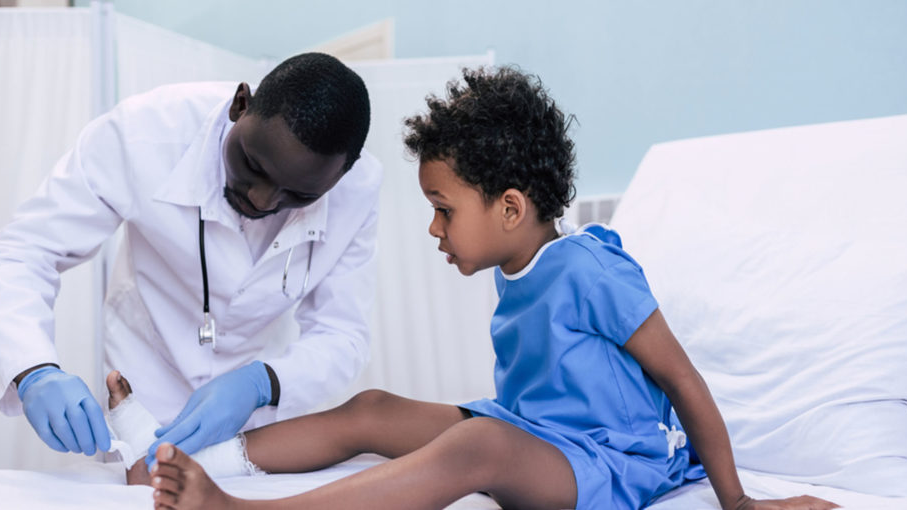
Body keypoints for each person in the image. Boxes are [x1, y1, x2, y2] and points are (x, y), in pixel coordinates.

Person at [140, 66, 842, 510]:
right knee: (375, 408)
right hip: (541, 435)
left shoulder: (589, 270)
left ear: (509, 208)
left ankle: (238, 509)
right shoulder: (518, 268)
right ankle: (194, 460)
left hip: (611, 462)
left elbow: (683, 381)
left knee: (475, 452)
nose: (434, 229)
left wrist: (738, 502)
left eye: (445, 209)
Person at [0, 52, 382, 467]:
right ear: (241, 105)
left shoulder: (357, 191)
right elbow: (21, 253)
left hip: (261, 415)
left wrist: (263, 383)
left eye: (299, 196)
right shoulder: (144, 134)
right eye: (253, 165)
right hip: (143, 388)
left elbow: (341, 332)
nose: (261, 199)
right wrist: (34, 370)